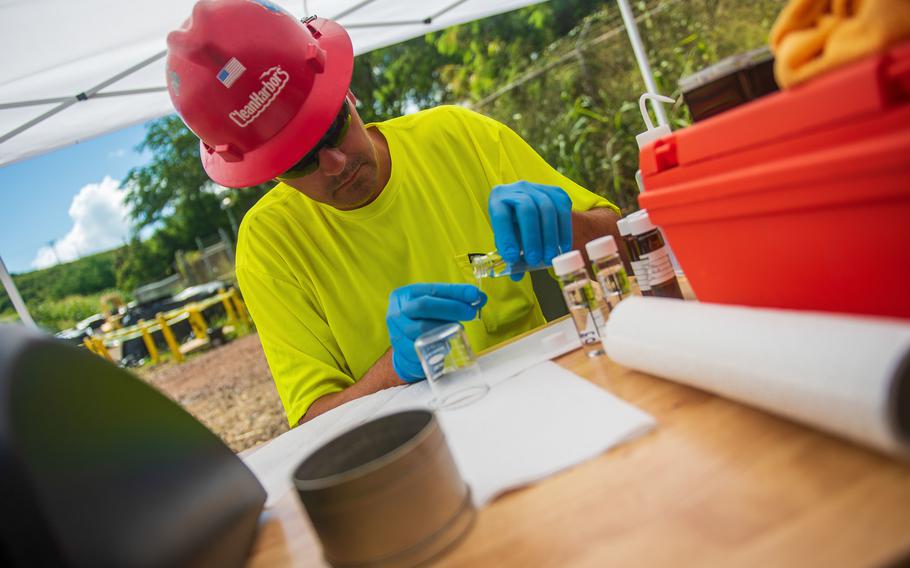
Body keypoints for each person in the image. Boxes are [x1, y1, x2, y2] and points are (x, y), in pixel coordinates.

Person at [166, 0, 623, 426]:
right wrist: (396, 369)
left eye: (333, 127)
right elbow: (313, 424)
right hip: (419, 450)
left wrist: (568, 229)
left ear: (348, 96)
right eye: (299, 161)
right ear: (268, 173)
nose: (335, 164)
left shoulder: (459, 138)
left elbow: (626, 242)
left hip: (555, 406)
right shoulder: (271, 245)